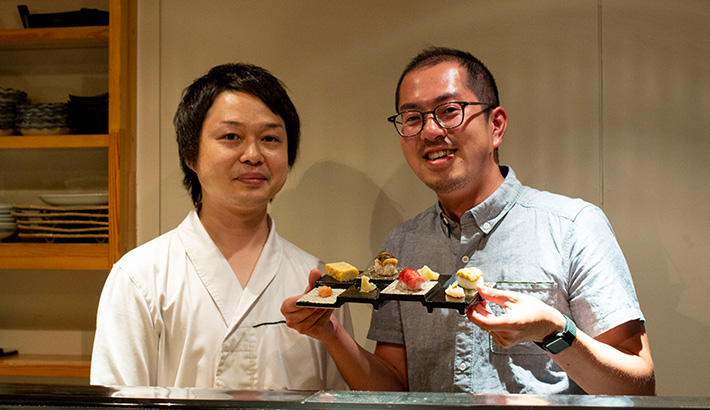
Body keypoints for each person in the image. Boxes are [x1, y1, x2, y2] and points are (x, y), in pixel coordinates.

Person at [282, 47, 655, 395]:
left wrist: (553, 330)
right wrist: (331, 334)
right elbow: (394, 388)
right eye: (412, 118)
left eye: (448, 111)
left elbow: (638, 386)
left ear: (496, 126)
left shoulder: (573, 226)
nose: (430, 131)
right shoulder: (403, 243)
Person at [91, 63, 351, 389]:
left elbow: (341, 402)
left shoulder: (316, 281)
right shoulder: (140, 277)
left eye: (270, 138)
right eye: (231, 137)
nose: (253, 155)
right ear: (190, 155)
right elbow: (117, 403)